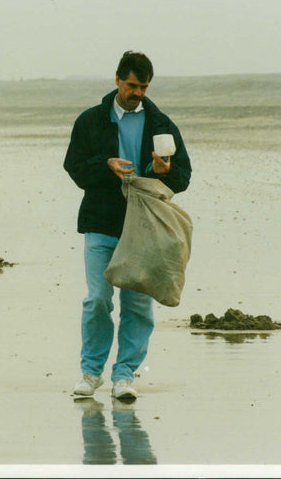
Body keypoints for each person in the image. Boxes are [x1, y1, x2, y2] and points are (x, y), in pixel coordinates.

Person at [63, 51, 192, 401]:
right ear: (118, 80)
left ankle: (124, 376)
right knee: (97, 301)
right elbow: (74, 167)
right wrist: (106, 165)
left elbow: (183, 176)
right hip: (101, 223)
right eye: (133, 86)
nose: (138, 93)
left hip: (146, 228)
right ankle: (91, 373)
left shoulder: (162, 124)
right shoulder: (90, 120)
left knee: (137, 305)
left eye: (144, 87)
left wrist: (163, 173)